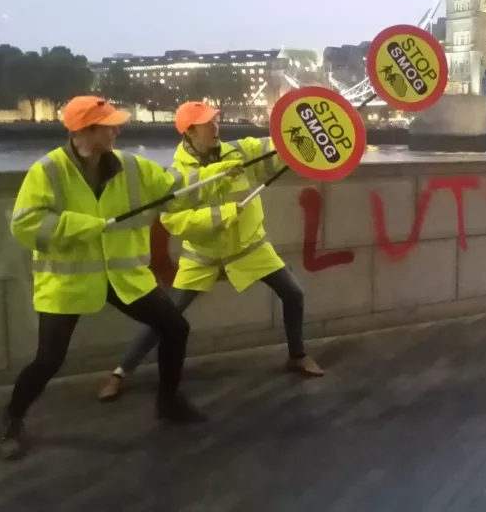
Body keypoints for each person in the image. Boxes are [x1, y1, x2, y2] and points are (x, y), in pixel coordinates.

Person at [0, 96, 242, 460]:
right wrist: (88, 227)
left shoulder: (132, 166)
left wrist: (219, 176)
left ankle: (169, 401)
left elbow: (175, 188)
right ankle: (13, 419)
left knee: (175, 328)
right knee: (49, 360)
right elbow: (25, 223)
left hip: (122, 275)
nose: (117, 129)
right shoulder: (48, 170)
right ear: (84, 131)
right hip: (69, 282)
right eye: (108, 125)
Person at [97, 101, 323, 402]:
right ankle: (120, 372)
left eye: (216, 120)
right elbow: (175, 221)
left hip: (249, 247)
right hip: (202, 255)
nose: (216, 126)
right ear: (189, 132)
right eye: (207, 123)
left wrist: (318, 132)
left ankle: (297, 355)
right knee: (166, 315)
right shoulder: (176, 174)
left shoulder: (241, 152)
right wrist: (226, 214)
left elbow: (282, 147)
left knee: (293, 293)